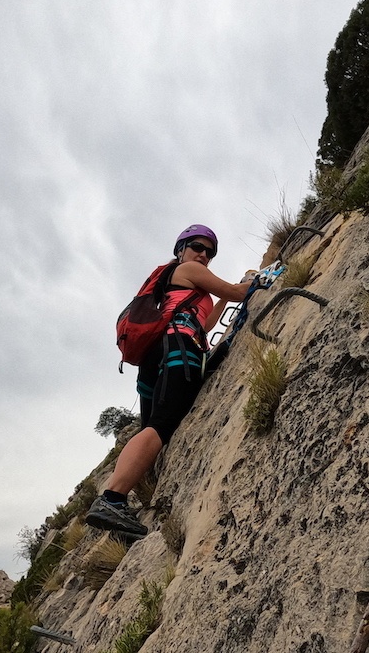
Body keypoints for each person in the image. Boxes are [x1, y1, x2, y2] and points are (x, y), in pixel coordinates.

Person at [85, 224, 253, 537]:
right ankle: (112, 499)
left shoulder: (176, 284)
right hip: (178, 348)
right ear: (181, 250)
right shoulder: (188, 269)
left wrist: (224, 301)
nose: (203, 255)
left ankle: (121, 524)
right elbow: (237, 292)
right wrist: (251, 279)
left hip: (155, 356)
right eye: (197, 247)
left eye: (209, 252)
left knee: (153, 430)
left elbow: (205, 321)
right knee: (161, 427)